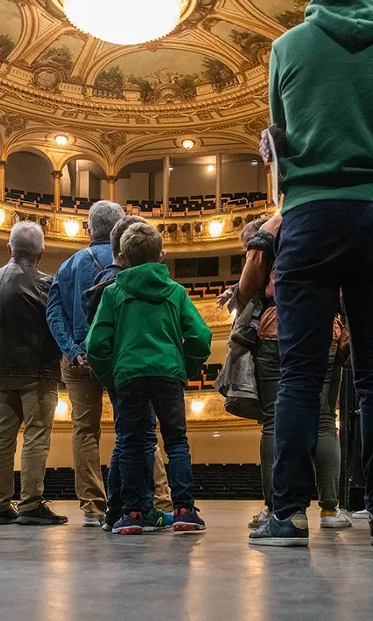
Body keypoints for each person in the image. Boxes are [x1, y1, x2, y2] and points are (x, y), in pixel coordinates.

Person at [248, 0, 373, 548]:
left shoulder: (287, 46)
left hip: (309, 218)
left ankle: (290, 515)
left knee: (301, 375)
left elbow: (282, 136)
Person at [225, 215, 353, 532]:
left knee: (273, 421)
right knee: (325, 419)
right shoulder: (322, 226)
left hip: (275, 328)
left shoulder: (267, 236)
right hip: (325, 328)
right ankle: (329, 509)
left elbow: (247, 289)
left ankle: (276, 509)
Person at [86, 222, 212, 534]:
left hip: (128, 376)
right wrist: (186, 367)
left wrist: (110, 375)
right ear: (161, 255)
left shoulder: (113, 294)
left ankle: (131, 515)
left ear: (123, 257)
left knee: (129, 442)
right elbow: (200, 336)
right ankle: (184, 509)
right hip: (167, 373)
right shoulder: (176, 292)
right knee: (176, 441)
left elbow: (95, 345)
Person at [82, 215, 173, 532]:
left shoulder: (103, 280)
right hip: (132, 373)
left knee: (127, 439)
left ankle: (117, 510)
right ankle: (141, 508)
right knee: (142, 440)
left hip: (118, 373)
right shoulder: (120, 284)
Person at [46, 199, 126, 527]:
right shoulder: (129, 262)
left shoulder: (69, 264)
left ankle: (93, 507)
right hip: (122, 354)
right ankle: (150, 499)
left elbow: (54, 312)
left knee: (85, 430)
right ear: (120, 228)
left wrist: (72, 348)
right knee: (137, 427)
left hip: (79, 357)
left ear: (89, 229)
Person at [0, 222, 66, 527]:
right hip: (37, 372)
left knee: (2, 438)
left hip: (0, 370)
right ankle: (30, 504)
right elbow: (56, 324)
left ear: (10, 249)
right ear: (40, 254)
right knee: (36, 436)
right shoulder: (46, 284)